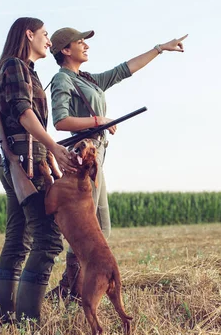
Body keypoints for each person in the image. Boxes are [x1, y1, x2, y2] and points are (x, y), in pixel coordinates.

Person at [47, 26, 187, 302]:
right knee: (89, 226)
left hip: (98, 153)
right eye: (80, 43)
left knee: (102, 227)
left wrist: (160, 48)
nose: (86, 46)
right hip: (84, 155)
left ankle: (76, 285)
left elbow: (125, 69)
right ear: (66, 50)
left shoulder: (86, 79)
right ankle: (70, 287)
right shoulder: (63, 80)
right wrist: (99, 121)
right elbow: (60, 121)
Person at [0, 17, 77, 326]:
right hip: (26, 164)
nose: (49, 41)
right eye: (44, 34)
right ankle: (27, 322)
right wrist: (53, 147)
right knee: (48, 240)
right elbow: (25, 114)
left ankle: (6, 321)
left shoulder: (26, 71)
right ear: (28, 34)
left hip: (26, 160)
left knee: (17, 241)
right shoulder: (14, 66)